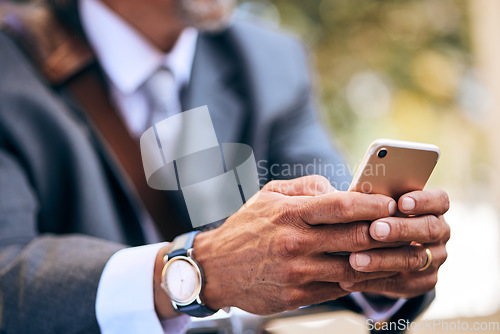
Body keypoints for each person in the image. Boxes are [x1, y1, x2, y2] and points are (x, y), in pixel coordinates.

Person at [0, 0, 450, 333]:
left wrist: (372, 259)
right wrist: (198, 271)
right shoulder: (12, 63)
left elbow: (325, 205)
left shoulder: (270, 61)